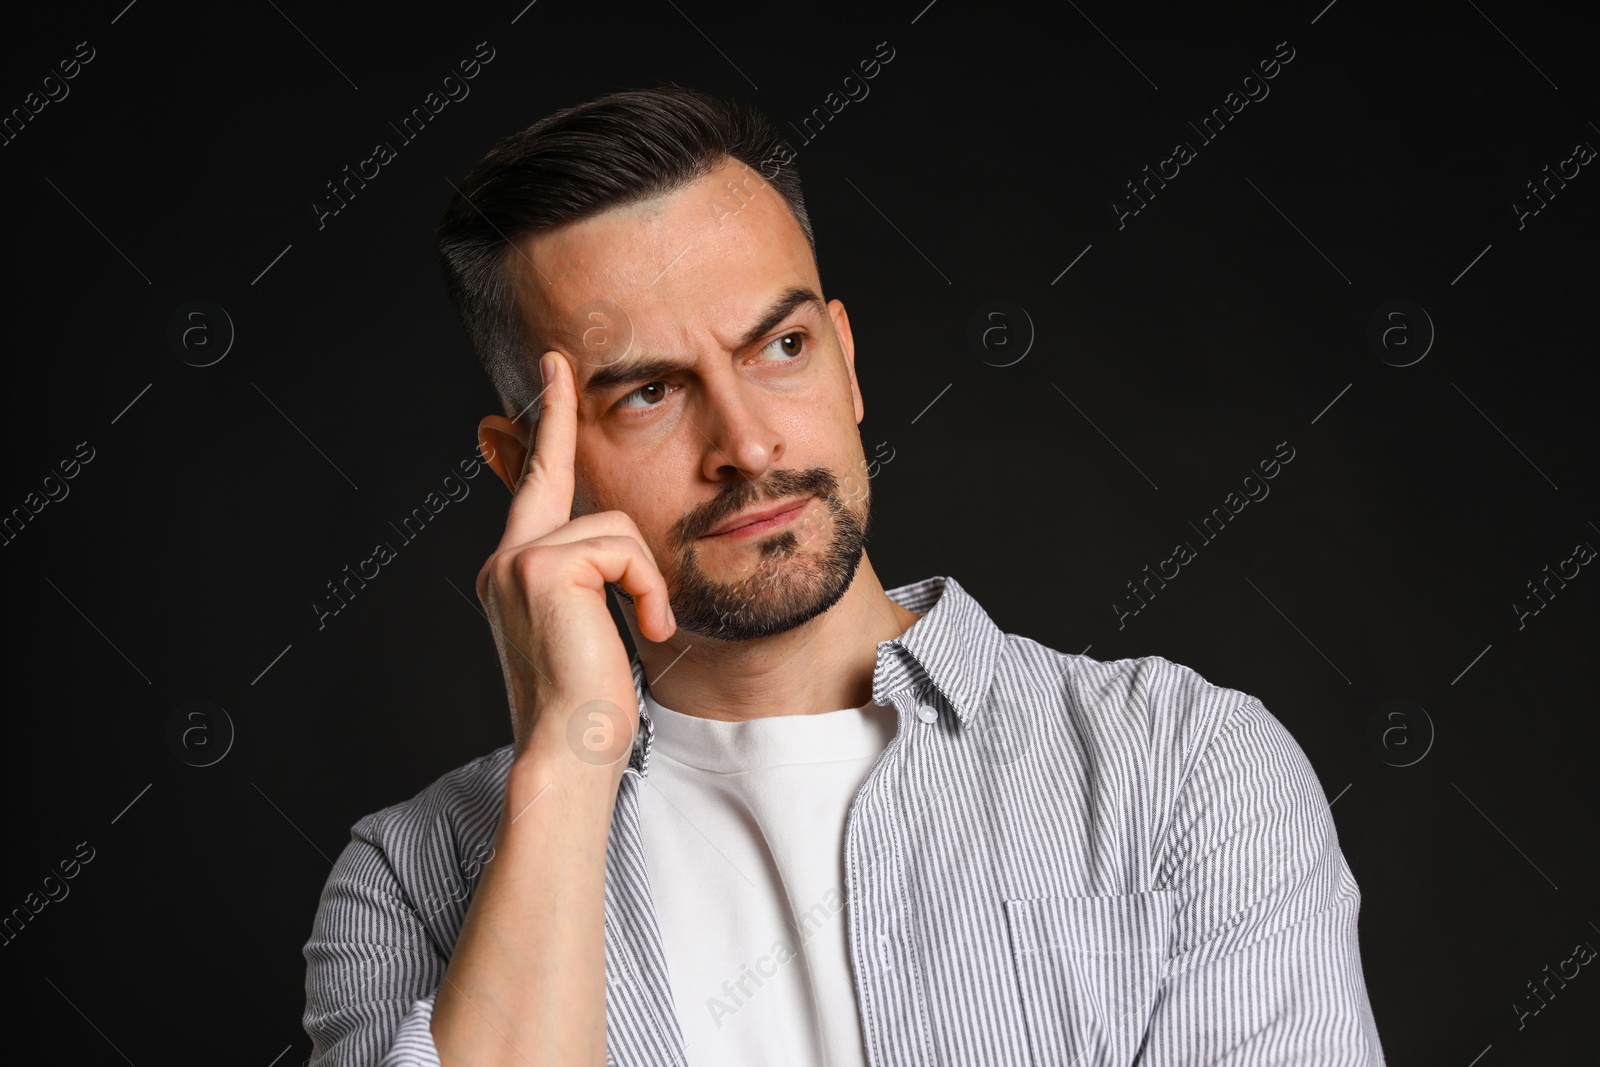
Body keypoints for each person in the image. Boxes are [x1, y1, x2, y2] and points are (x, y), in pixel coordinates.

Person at [302, 85, 1386, 1067]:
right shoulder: (409, 882)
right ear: (525, 466)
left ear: (846, 359)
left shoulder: (1186, 767)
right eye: (647, 394)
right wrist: (564, 766)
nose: (751, 443)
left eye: (779, 348)